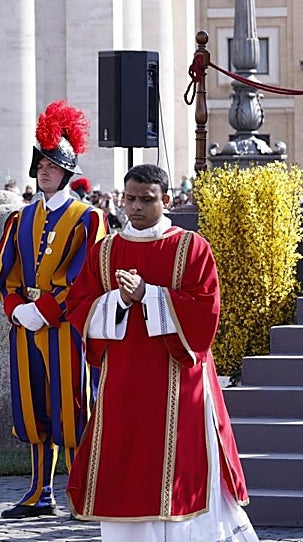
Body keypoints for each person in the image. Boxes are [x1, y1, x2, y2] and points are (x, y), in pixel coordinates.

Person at [64, 164, 258, 541]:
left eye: (146, 199)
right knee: (125, 466)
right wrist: (119, 302)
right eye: (130, 199)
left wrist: (148, 295)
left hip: (179, 380)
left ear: (165, 199)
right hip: (122, 382)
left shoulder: (191, 247)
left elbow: (205, 311)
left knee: (181, 467)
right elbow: (78, 306)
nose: (136, 207)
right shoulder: (105, 251)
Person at [0, 101, 107, 519]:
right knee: (33, 408)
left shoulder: (88, 218)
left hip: (65, 326)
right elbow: (7, 273)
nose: (44, 171)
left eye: (52, 165)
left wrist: (45, 309)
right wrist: (16, 308)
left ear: (67, 170)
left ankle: (82, 493)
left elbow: (87, 277)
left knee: (72, 407)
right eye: (41, 164)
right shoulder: (20, 219)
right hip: (25, 325)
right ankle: (39, 493)